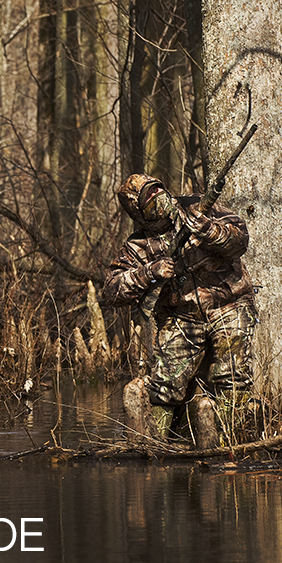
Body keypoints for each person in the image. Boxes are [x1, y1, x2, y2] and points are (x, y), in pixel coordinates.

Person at [102, 173, 258, 444]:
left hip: (230, 304)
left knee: (232, 380)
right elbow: (112, 290)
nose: (157, 197)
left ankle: (233, 443)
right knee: (164, 389)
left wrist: (209, 229)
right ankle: (155, 446)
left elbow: (240, 240)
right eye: (148, 198)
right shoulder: (137, 245)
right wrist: (150, 272)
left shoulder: (199, 206)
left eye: (157, 190)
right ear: (137, 210)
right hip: (181, 317)